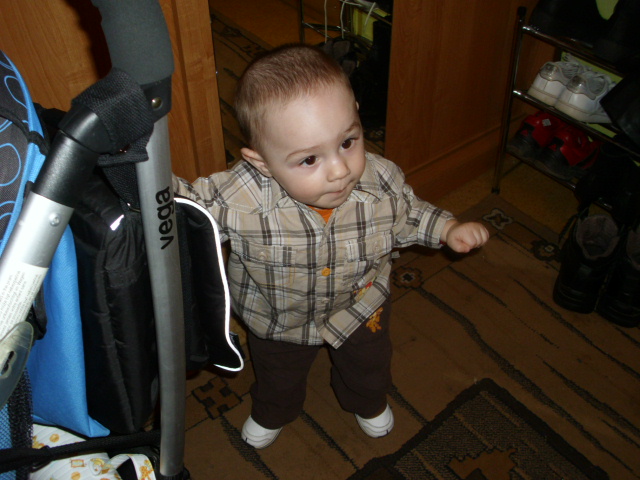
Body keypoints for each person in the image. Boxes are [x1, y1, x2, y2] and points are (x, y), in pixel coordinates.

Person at [173, 44, 489, 449]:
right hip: (277, 319)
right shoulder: (239, 196)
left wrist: (447, 227)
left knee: (369, 364)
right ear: (262, 162)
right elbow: (186, 205)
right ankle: (273, 411)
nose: (340, 170)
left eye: (348, 142)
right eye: (309, 160)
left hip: (360, 305)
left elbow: (408, 213)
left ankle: (367, 401)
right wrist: (141, 176)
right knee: (277, 375)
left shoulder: (380, 181)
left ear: (356, 114)